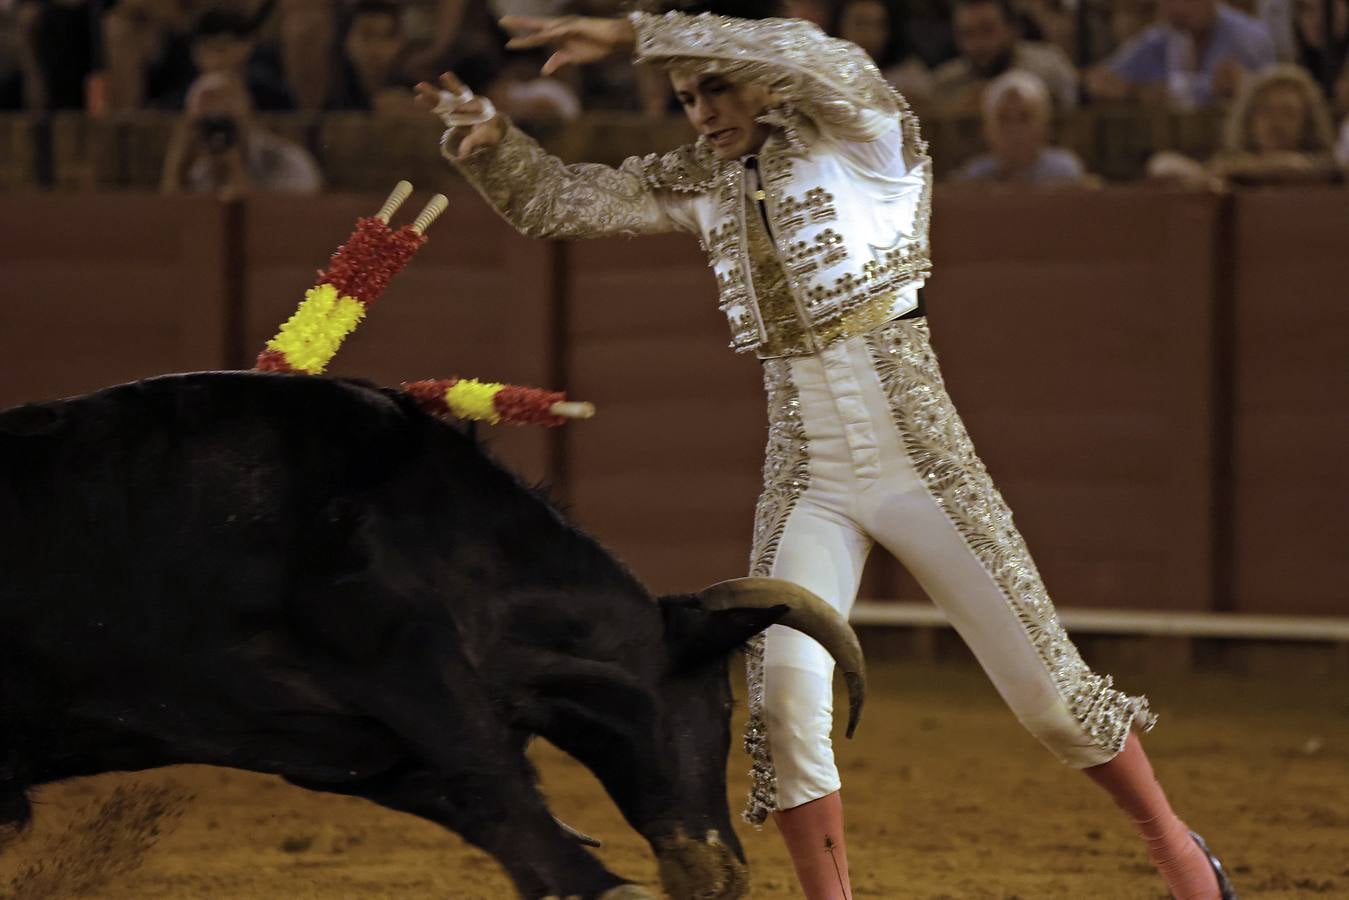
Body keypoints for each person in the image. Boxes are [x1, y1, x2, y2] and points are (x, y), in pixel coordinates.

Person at [414, 5, 1239, 899]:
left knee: (1048, 701)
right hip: (807, 471)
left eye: (717, 85)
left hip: (921, 457)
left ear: (765, 80)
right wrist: (495, 142)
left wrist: (636, 30)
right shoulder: (705, 179)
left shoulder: (862, 123)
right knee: (783, 702)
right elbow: (561, 202)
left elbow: (803, 49)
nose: (703, 111)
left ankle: (1177, 851)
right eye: (687, 98)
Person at [1148, 63, 1340, 186]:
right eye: (1265, 111)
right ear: (1249, 119)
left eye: (1288, 113)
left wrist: (1235, 170)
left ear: (1307, 122)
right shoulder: (1229, 167)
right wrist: (1204, 175)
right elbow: (1161, 165)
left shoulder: (1323, 169)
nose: (1275, 122)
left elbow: (1297, 167)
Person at [1086, 0, 1277, 108]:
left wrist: (1149, 92)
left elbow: (1263, 93)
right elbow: (1105, 79)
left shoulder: (1247, 36)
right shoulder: (1163, 36)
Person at [161, 71, 321, 197]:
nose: (218, 135)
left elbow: (299, 223)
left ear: (248, 116)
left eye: (225, 123)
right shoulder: (196, 173)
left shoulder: (289, 163)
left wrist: (236, 172)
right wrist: (177, 169)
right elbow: (172, 227)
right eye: (208, 125)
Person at [931, 0, 1079, 112]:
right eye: (967, 33)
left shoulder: (1050, 67)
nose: (977, 44)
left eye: (987, 30)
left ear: (1012, 29)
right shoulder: (946, 83)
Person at [952, 69, 1089, 184]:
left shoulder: (1066, 174)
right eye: (1004, 119)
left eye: (1025, 118)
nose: (1014, 129)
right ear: (987, 130)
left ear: (1045, 126)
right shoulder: (974, 178)